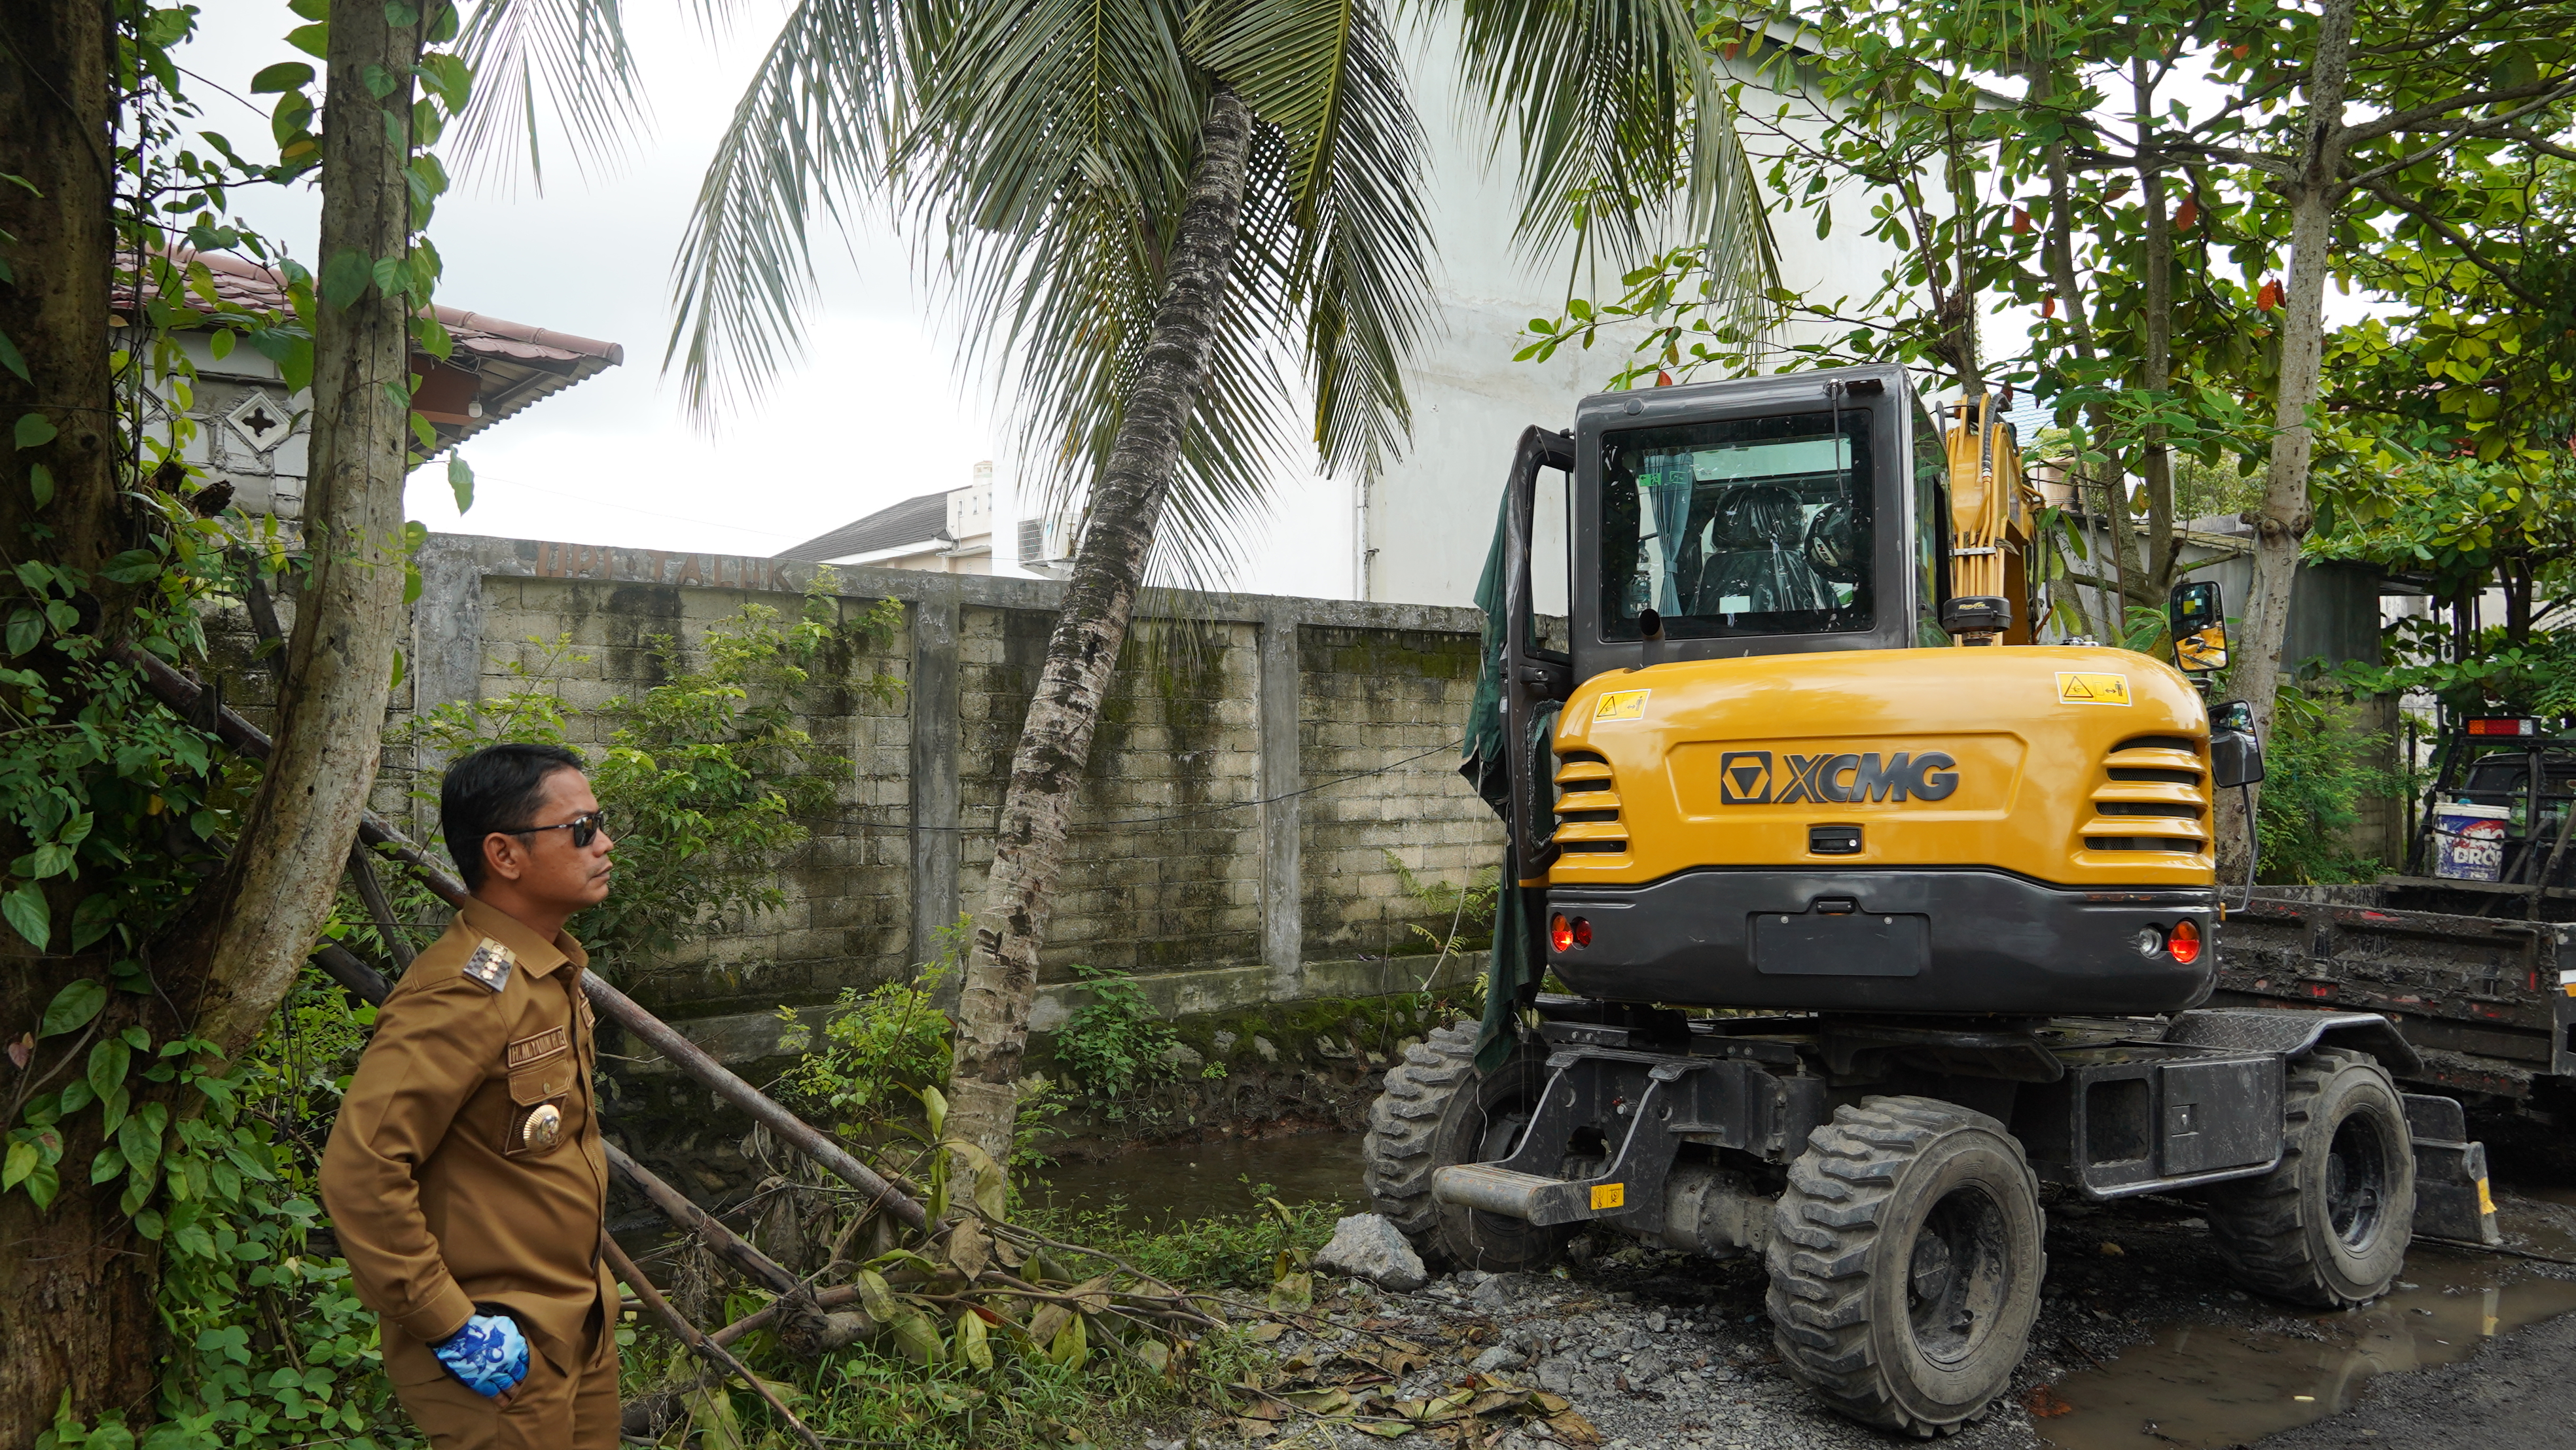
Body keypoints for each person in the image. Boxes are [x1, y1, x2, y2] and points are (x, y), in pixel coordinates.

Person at [321, 743, 622, 1449]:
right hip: (500, 1353)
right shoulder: (460, 993)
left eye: (600, 823)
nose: (604, 843)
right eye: (581, 829)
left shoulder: (546, 971)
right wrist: (450, 1323)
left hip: (576, 1325)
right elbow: (361, 1170)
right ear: (505, 854)